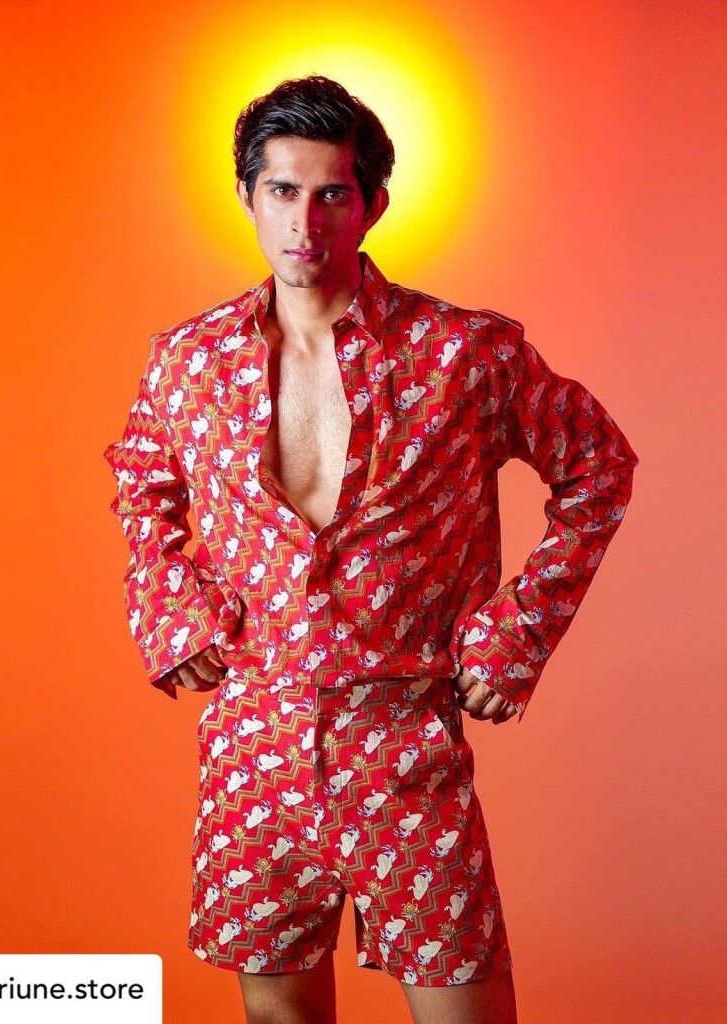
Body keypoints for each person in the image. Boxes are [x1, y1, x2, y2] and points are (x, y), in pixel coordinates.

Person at [103, 74, 639, 1024]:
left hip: (406, 738)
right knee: (280, 1015)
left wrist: (516, 635)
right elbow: (141, 479)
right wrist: (172, 606)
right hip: (253, 742)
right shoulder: (189, 362)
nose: (304, 222)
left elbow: (598, 465)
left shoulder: (465, 354)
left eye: (332, 194)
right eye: (282, 191)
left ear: (373, 204)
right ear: (247, 195)